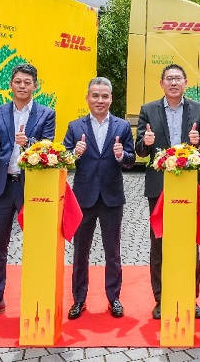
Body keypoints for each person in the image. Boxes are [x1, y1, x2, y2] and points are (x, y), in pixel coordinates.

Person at [0, 63, 57, 322]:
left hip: (32, 189)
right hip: (1, 187)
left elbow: (48, 149)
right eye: (18, 81)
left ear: (35, 86)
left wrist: (29, 144)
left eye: (27, 82)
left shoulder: (46, 114)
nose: (22, 86)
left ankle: (38, 295)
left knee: (37, 244)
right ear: (11, 84)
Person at [135, 63, 200, 320]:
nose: (174, 82)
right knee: (160, 243)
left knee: (190, 243)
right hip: (159, 186)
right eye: (169, 78)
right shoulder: (148, 110)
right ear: (162, 83)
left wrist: (199, 143)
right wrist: (144, 144)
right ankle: (161, 297)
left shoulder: (199, 110)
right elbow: (140, 150)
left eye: (178, 78)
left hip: (190, 186)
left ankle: (190, 296)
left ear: (185, 83)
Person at [62, 77, 136, 320]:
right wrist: (74, 154)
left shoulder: (122, 126)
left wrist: (121, 155)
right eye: (95, 95)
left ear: (111, 98)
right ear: (87, 98)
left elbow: (131, 159)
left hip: (112, 197)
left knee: (112, 251)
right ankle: (78, 299)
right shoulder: (75, 127)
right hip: (83, 197)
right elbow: (64, 159)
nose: (100, 100)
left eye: (105, 96)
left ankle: (113, 298)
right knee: (80, 252)